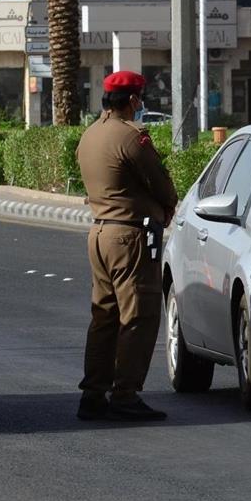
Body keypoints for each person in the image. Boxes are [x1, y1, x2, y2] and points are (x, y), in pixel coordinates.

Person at [74, 71, 180, 421]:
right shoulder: (132, 138)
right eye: (140, 98)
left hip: (100, 233)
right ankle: (125, 393)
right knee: (138, 315)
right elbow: (162, 185)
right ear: (133, 100)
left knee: (104, 316)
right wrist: (166, 203)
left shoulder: (90, 135)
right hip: (129, 237)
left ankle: (93, 393)